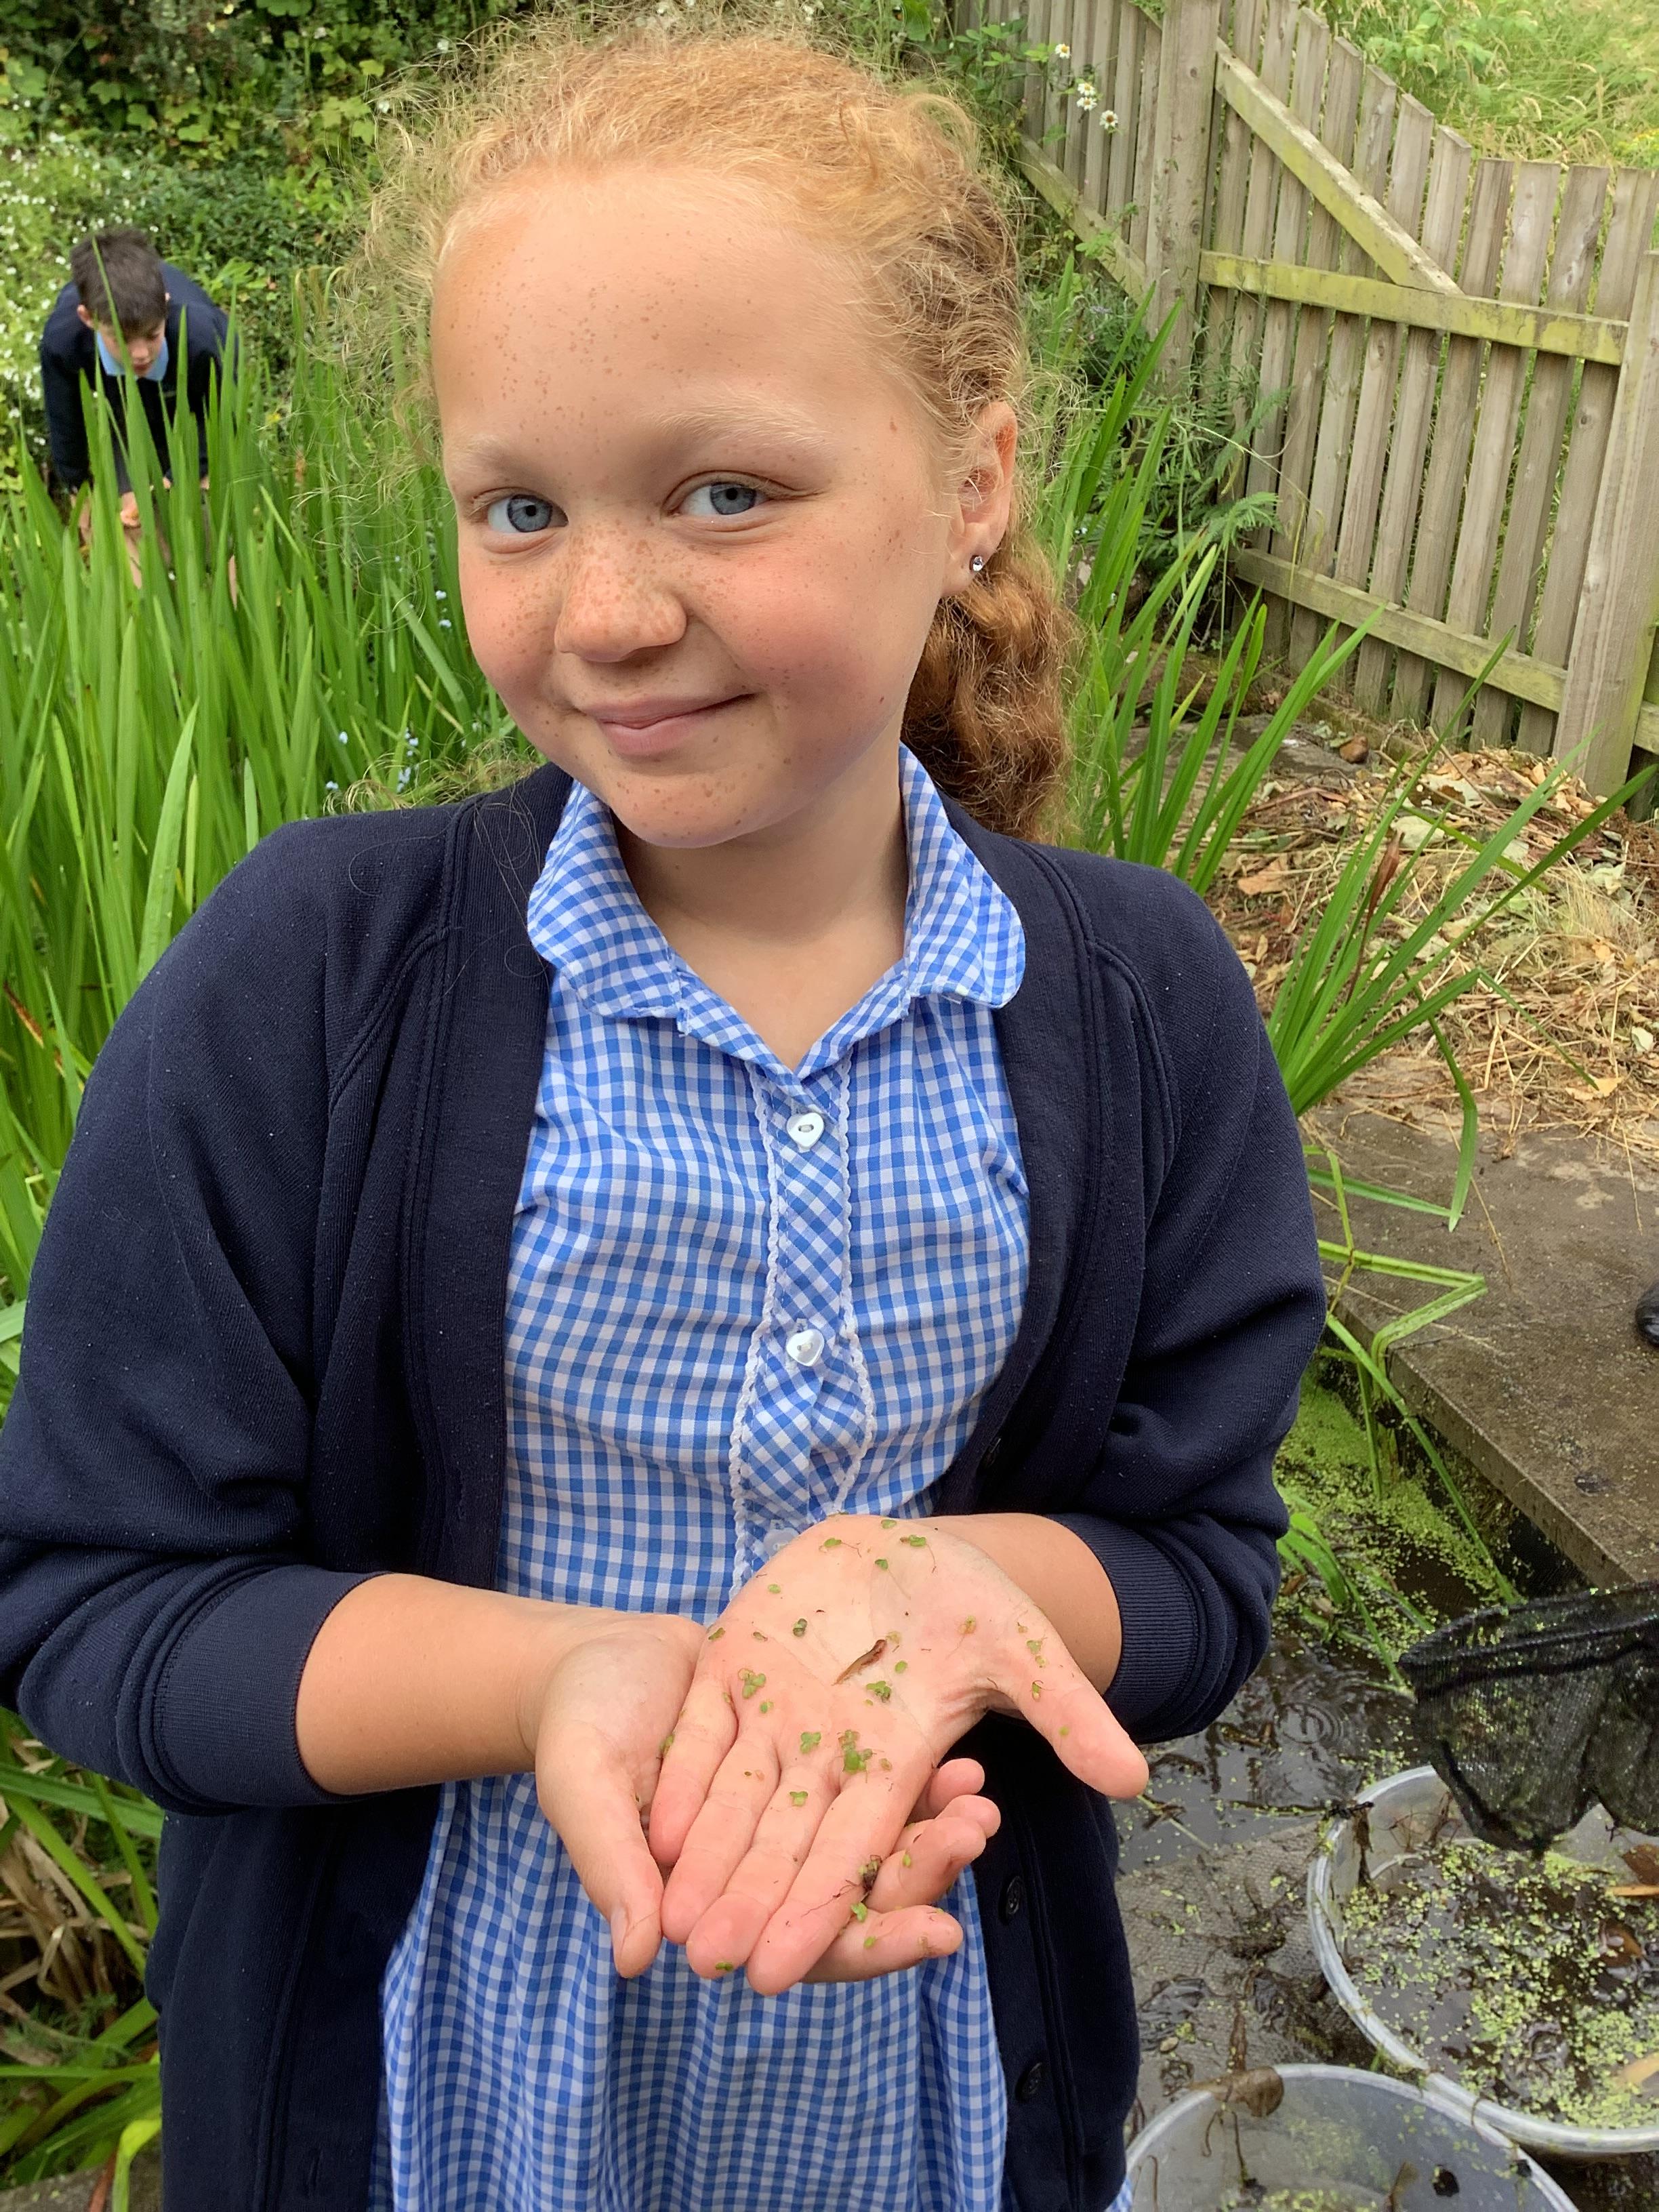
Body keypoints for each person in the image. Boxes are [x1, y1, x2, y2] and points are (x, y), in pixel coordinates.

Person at [0, 18, 1326, 2212]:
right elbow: (108, 1606)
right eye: (519, 509)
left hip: (915, 2085)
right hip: (442, 2094)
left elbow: (1195, 1569)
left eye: (726, 492)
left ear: (972, 484)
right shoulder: (309, 981)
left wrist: (961, 1582)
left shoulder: (1138, 1006)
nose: (609, 614)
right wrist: (560, 1681)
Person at [38, 226, 230, 570]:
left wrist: (177, 478)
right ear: (88, 319)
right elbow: (66, 424)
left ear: (166, 307)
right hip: (122, 407)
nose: (140, 353)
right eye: (123, 340)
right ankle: (150, 597)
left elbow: (223, 414)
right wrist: (80, 491)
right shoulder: (62, 341)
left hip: (192, 407)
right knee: (131, 522)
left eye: (151, 336)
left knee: (211, 528)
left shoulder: (201, 334)